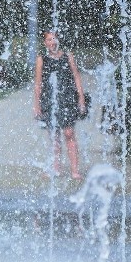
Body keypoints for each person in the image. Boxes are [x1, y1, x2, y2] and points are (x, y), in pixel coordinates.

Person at [33, 31, 86, 180]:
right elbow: (38, 83)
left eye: (54, 39)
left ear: (58, 41)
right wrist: (36, 105)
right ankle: (56, 169)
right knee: (53, 136)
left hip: (67, 98)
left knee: (69, 133)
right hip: (49, 100)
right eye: (49, 40)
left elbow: (76, 77)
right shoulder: (41, 59)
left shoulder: (68, 56)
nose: (52, 42)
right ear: (45, 43)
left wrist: (81, 98)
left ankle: (75, 171)